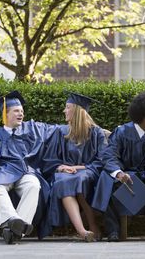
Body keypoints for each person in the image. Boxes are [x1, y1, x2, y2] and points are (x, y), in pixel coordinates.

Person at [0, 90, 57, 244]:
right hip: (4, 171)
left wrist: (88, 128)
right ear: (6, 114)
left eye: (22, 111)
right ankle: (15, 223)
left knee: (34, 185)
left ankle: (13, 229)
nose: (21, 114)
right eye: (16, 111)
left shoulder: (32, 128)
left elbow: (58, 130)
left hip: (26, 171)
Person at [92, 91, 145, 242]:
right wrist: (119, 173)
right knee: (107, 178)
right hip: (125, 178)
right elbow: (109, 156)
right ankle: (113, 231)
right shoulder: (122, 132)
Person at [42, 92, 106, 242]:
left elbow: (102, 160)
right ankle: (83, 231)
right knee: (64, 181)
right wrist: (60, 167)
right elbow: (50, 158)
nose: (64, 111)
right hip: (65, 173)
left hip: (87, 171)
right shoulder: (61, 132)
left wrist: (78, 168)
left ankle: (92, 224)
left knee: (79, 179)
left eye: (67, 107)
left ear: (77, 111)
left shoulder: (97, 133)